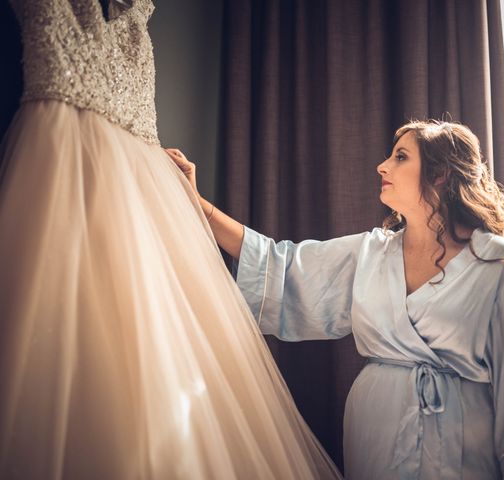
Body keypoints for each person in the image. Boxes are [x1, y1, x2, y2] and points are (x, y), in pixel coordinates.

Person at [0, 0, 342, 478]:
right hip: (78, 168)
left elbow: (292, 270)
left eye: (400, 157)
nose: (382, 167)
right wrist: (193, 202)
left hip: (140, 185)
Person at [168, 119, 504, 479]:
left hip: (462, 453)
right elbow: (283, 265)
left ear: (439, 174)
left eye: (401, 156)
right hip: (375, 441)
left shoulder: (497, 263)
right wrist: (199, 206)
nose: (382, 165)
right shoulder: (371, 253)